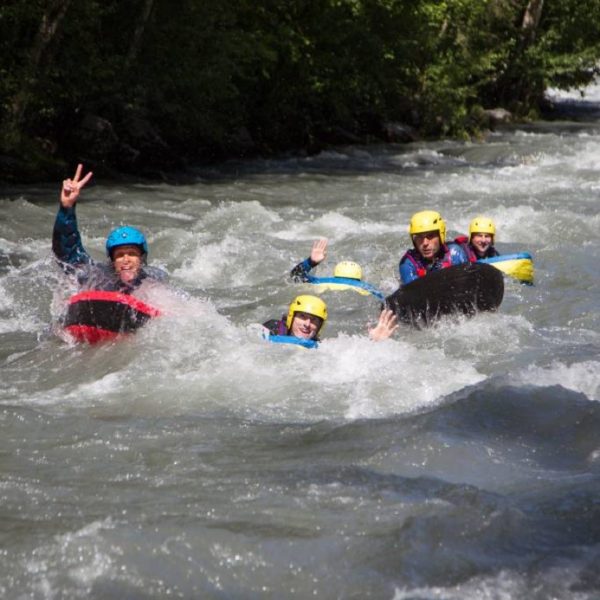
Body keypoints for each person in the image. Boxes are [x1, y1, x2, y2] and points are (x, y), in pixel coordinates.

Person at [52, 164, 168, 293]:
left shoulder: (154, 278)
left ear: (141, 258)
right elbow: (68, 254)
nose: (126, 260)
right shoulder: (99, 276)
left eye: (132, 253)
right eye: (119, 255)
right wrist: (67, 207)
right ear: (112, 262)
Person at [262, 294, 398, 348]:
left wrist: (374, 342)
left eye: (314, 320)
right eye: (302, 317)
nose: (307, 324)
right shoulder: (272, 328)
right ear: (291, 317)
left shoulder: (320, 347)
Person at [290, 239, 384, 300]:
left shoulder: (321, 282)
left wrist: (311, 261)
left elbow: (296, 275)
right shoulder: (368, 288)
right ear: (359, 277)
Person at [399, 210, 468, 286]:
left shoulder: (455, 253)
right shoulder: (408, 264)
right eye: (419, 237)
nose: (425, 243)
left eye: (430, 236)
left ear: (440, 236)